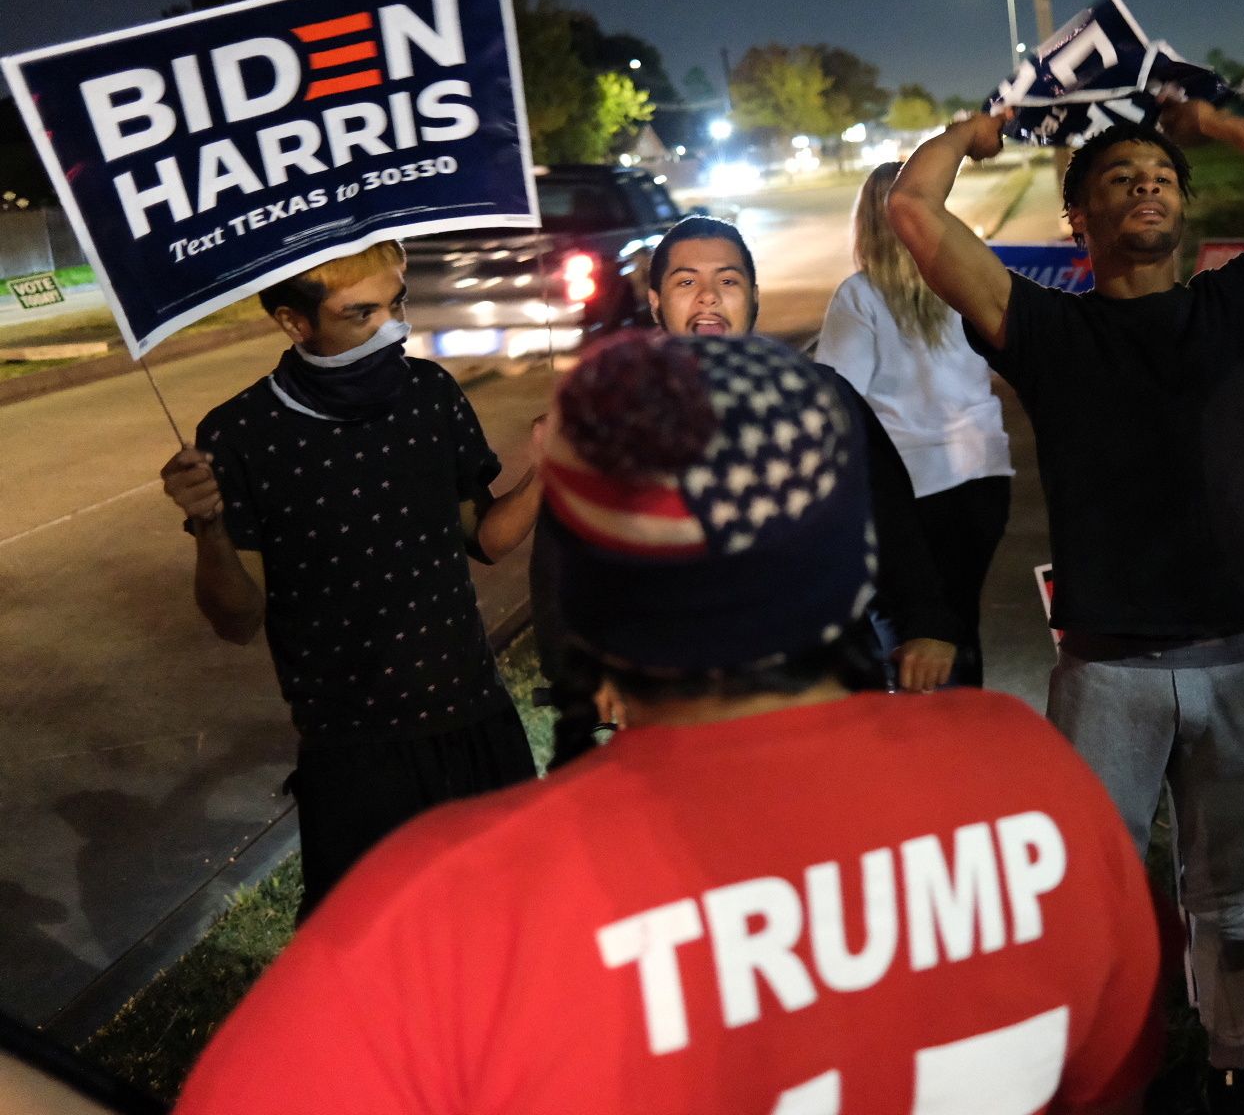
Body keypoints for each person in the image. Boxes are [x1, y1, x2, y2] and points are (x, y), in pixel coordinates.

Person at [174, 330, 1162, 1115]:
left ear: (591, 610)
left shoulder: (447, 915)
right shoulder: (1030, 778)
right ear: (852, 565)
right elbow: (1114, 1075)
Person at [889, 102, 1244, 1111]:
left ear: (1186, 206)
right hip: (1105, 675)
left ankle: (1231, 1058)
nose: (1148, 184)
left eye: (1162, 173)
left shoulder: (1233, 305)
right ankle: (1125, 1063)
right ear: (1079, 219)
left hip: (1238, 664)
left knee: (1229, 890)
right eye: (1120, 178)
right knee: (1099, 897)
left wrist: (1212, 120)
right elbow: (913, 208)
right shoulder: (1046, 327)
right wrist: (970, 133)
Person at [158, 241, 542, 917]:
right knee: (376, 954)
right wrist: (210, 527)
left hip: (476, 718)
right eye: (359, 313)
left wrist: (551, 469)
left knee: (514, 922)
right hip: (356, 751)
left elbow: (483, 538)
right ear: (294, 322)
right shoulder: (241, 434)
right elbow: (237, 619)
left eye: (396, 305)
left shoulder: (430, 394)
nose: (390, 329)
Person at [534, 216, 961, 764]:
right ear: (656, 299)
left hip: (815, 683)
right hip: (675, 698)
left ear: (753, 296)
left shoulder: (816, 397)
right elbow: (561, 555)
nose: (708, 297)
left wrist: (926, 625)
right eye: (686, 282)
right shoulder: (618, 412)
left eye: (728, 281)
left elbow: (889, 513)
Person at [819, 161, 1015, 687]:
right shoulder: (964, 284)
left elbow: (840, 398)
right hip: (984, 473)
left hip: (909, 490)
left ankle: (929, 750)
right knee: (961, 623)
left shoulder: (860, 296)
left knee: (911, 632)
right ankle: (970, 732)